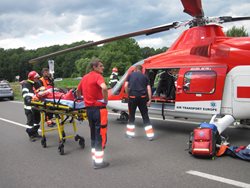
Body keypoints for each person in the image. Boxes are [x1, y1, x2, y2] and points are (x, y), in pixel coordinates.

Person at [76, 58, 109, 169]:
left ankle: (95, 158)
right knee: (100, 134)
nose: (103, 67)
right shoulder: (98, 76)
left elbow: (77, 91)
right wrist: (105, 100)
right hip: (98, 110)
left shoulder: (85, 77)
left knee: (93, 134)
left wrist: (83, 98)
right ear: (94, 67)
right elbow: (104, 88)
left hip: (89, 110)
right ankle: (98, 163)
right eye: (101, 66)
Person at [124, 65, 155, 141]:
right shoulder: (145, 77)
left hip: (132, 97)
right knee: (145, 116)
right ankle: (150, 135)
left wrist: (128, 93)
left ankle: (130, 134)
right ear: (142, 70)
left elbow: (125, 86)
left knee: (132, 116)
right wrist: (150, 99)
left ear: (135, 69)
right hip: (142, 98)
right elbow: (148, 88)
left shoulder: (130, 75)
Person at [21, 71, 41, 142]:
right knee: (30, 122)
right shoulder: (26, 84)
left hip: (36, 106)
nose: (37, 79)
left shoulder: (37, 83)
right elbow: (24, 94)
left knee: (37, 120)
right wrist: (28, 100)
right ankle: (31, 135)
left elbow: (40, 91)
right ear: (32, 78)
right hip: (29, 107)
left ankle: (35, 133)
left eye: (37, 78)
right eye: (36, 78)